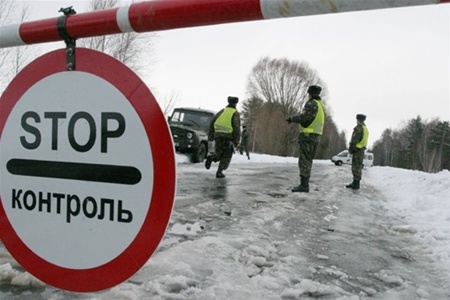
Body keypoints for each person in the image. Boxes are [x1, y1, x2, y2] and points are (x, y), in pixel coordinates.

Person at [286, 85, 325, 193]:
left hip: (308, 136)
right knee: (308, 160)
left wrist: (291, 118)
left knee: (304, 161)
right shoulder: (321, 105)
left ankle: (304, 185)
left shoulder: (312, 104)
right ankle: (304, 184)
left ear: (310, 93)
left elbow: (304, 118)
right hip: (315, 136)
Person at [205, 96, 241, 178]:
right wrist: (236, 140)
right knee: (227, 155)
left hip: (218, 135)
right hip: (229, 137)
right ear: (236, 103)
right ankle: (219, 172)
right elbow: (236, 127)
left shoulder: (222, 111)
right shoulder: (235, 113)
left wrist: (211, 134)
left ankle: (211, 157)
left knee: (219, 152)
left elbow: (213, 122)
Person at [346, 114, 369, 190]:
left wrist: (350, 149)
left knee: (355, 167)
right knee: (358, 166)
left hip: (357, 150)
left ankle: (355, 183)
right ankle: (357, 182)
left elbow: (354, 140)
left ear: (358, 120)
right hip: (362, 150)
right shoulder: (365, 129)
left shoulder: (358, 129)